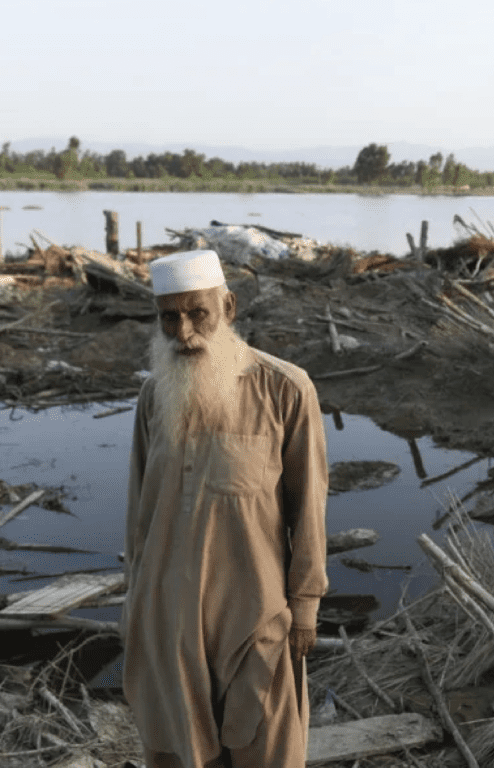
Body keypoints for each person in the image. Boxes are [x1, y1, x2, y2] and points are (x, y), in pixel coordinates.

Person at [121, 249, 328, 768]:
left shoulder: (286, 389)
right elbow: (138, 512)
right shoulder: (153, 397)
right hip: (168, 616)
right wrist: (134, 604)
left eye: (198, 314)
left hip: (254, 615)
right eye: (170, 317)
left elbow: (309, 509)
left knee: (268, 752)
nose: (184, 331)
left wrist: (305, 606)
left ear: (228, 308)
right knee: (178, 750)